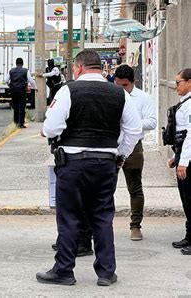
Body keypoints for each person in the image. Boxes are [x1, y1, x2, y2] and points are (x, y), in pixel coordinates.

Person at [36, 50, 141, 286]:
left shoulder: (67, 90)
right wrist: (119, 156)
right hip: (105, 164)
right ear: (100, 68)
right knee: (103, 217)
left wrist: (48, 131)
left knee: (69, 218)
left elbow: (52, 127)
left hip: (72, 164)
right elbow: (134, 131)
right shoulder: (119, 93)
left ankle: (64, 270)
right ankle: (106, 273)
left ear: (79, 67)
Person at [114, 64, 157, 240]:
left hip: (133, 146)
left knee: (135, 187)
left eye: (125, 86)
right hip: (112, 146)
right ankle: (101, 225)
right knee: (105, 187)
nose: (121, 89)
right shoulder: (111, 95)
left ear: (133, 82)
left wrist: (131, 122)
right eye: (118, 85)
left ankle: (135, 225)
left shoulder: (143, 98)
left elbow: (152, 122)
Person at [163, 68, 191, 255]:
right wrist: (176, 158)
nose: (176, 87)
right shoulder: (185, 103)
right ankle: (189, 236)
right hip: (183, 154)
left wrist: (184, 162)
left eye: (178, 82)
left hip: (189, 159)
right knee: (186, 200)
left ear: (189, 82)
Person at [5, 57, 37, 128]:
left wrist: (10, 85)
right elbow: (31, 81)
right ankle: (21, 123)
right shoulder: (26, 71)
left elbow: (6, 80)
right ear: (22, 63)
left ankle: (16, 122)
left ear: (16, 63)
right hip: (22, 91)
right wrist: (35, 88)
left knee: (15, 107)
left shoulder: (11, 71)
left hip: (13, 90)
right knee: (22, 107)